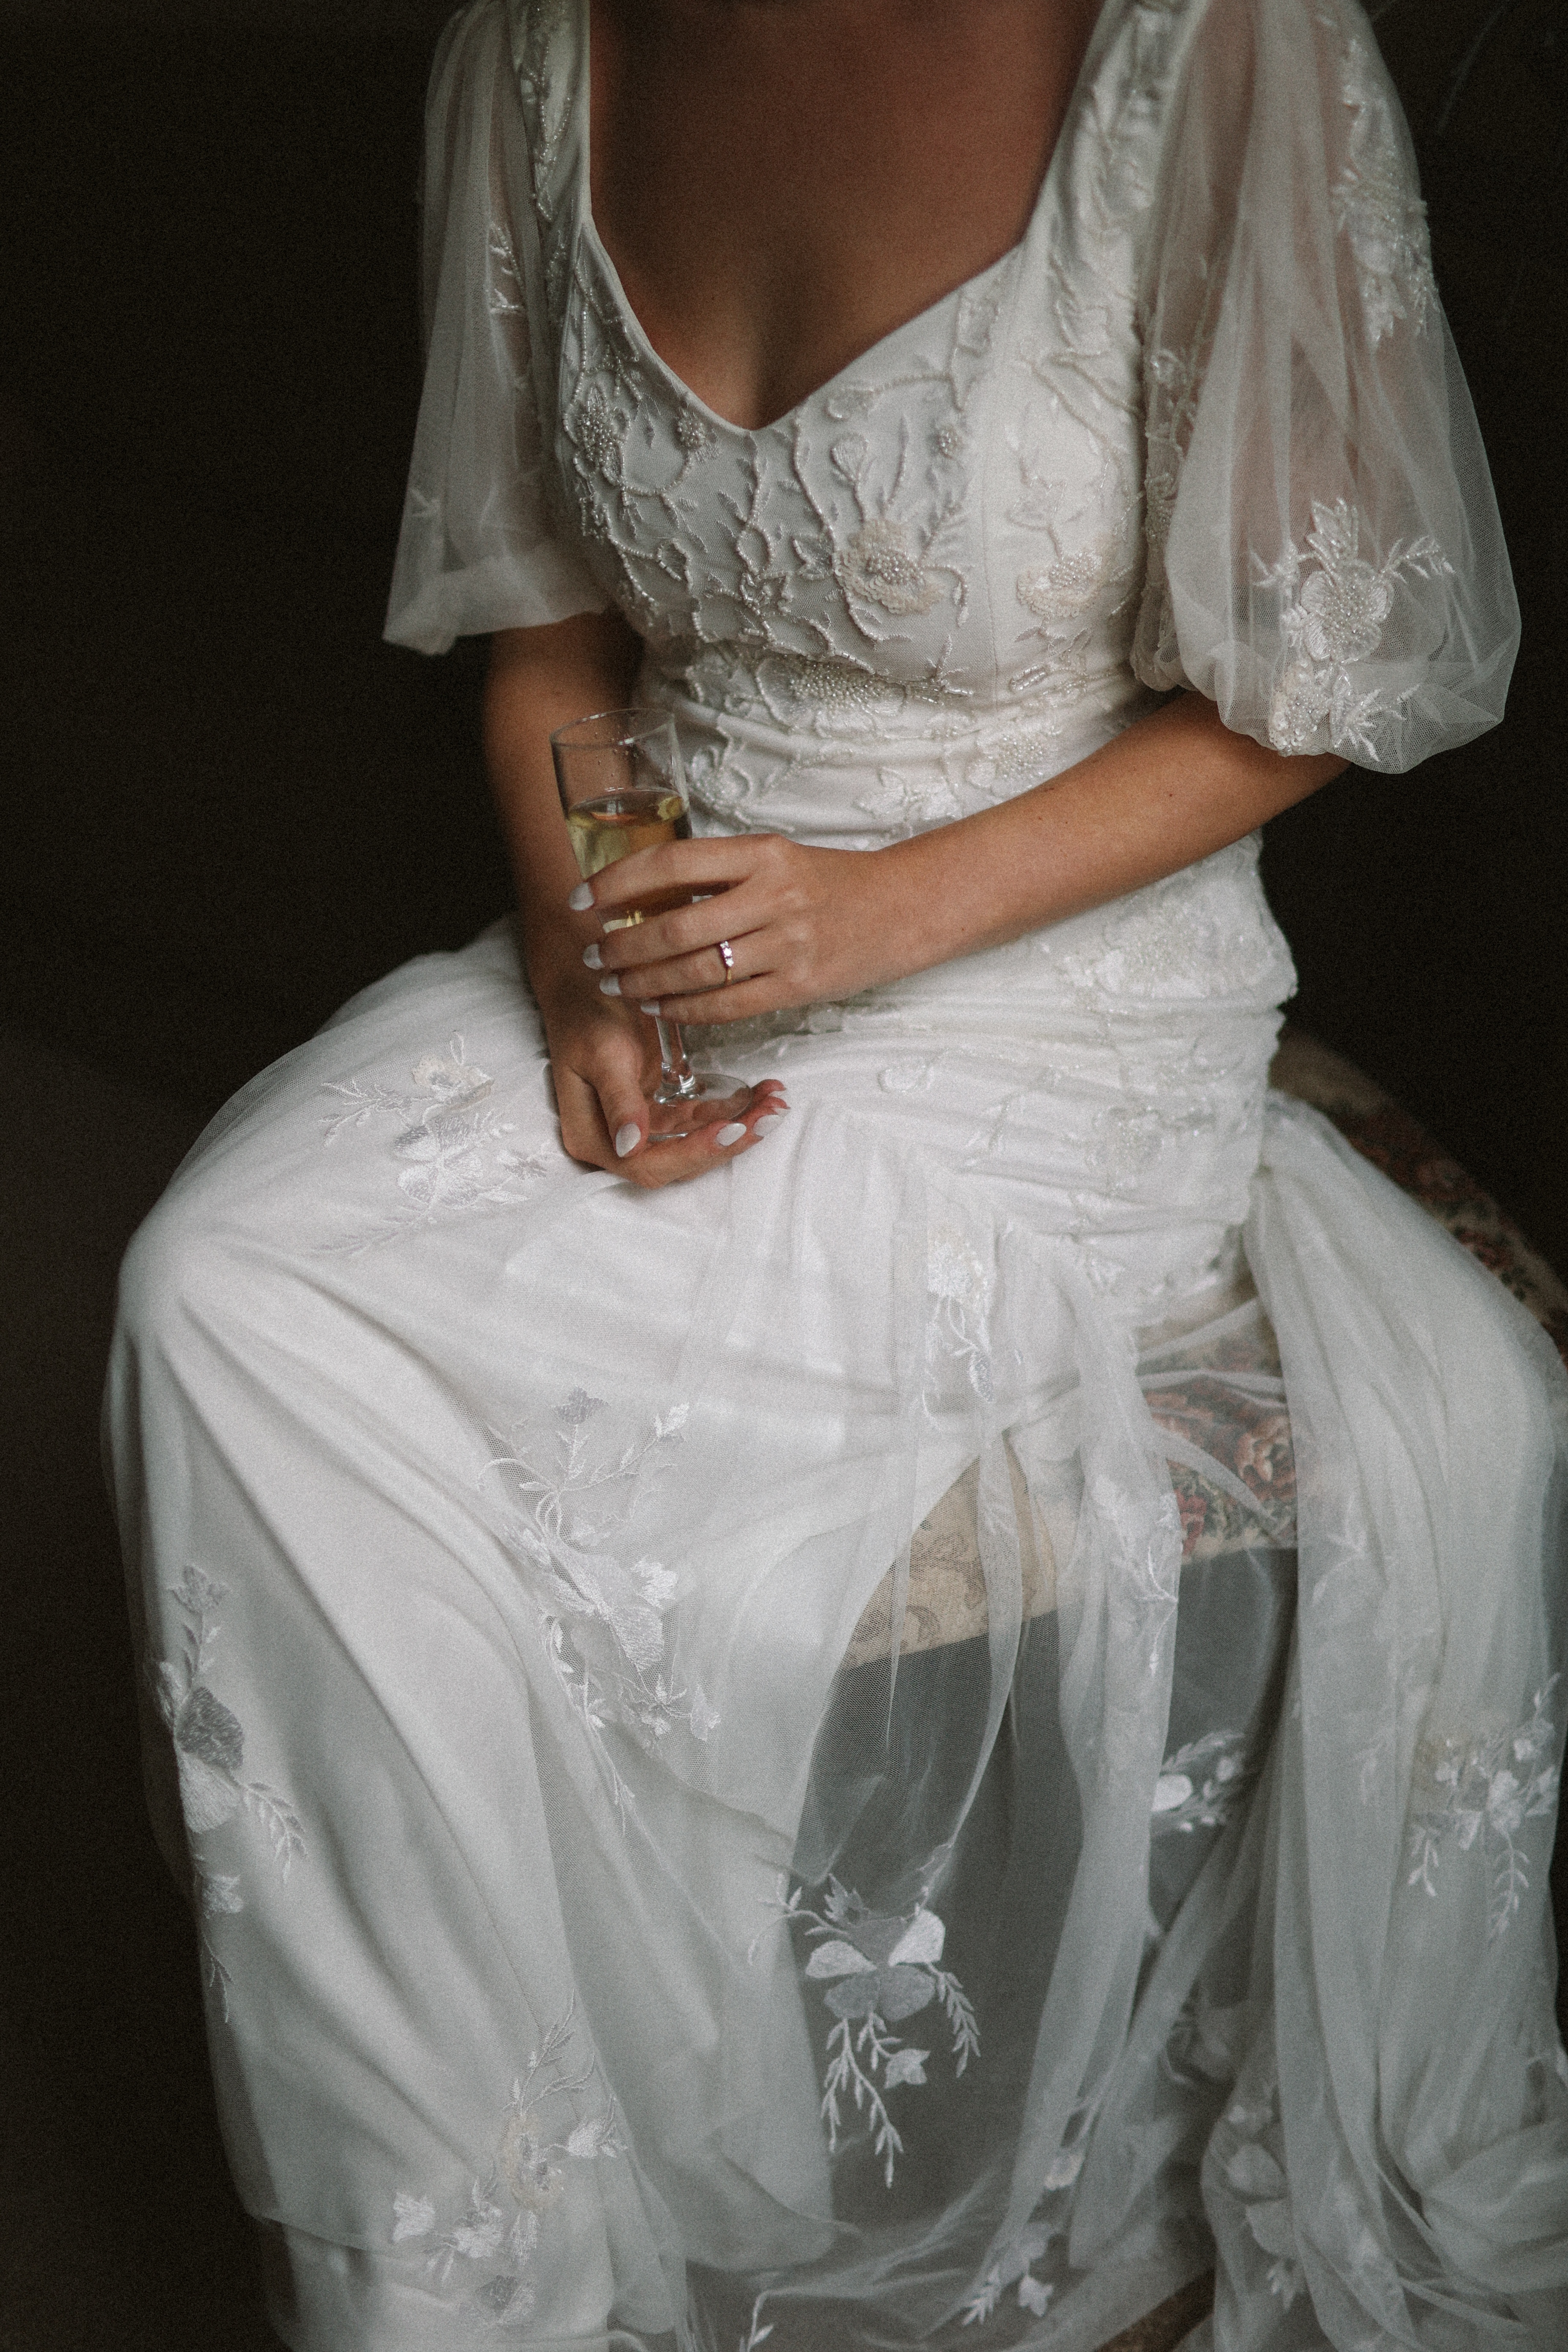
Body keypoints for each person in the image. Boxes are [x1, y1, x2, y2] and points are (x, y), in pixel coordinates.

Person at [106, 1, 1568, 2347]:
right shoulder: (537, 52)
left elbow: (1317, 685)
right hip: (674, 930)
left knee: (645, 1497)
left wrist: (872, 914)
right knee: (222, 1285)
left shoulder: (1203, 49)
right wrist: (593, 945)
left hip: (1050, 992)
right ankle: (470, 2253)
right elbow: (549, 635)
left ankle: (691, 2214)